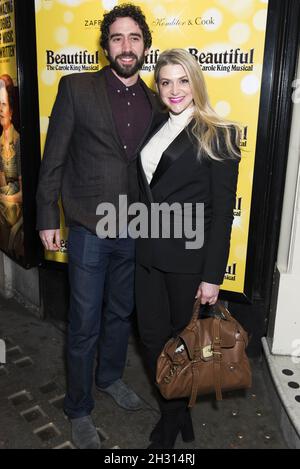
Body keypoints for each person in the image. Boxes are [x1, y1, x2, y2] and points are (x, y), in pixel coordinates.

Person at [36, 3, 164, 449]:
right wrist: (48, 215)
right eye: (117, 38)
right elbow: (53, 159)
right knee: (84, 320)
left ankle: (109, 377)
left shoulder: (156, 99)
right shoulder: (77, 89)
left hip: (134, 229)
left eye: (134, 38)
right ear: (105, 45)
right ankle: (78, 406)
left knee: (118, 314)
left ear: (145, 46)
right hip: (89, 227)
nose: (126, 47)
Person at [135, 48, 241, 449]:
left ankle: (171, 420)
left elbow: (221, 213)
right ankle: (179, 410)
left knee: (184, 345)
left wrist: (212, 276)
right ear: (158, 86)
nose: (174, 89)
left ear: (196, 82)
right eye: (166, 81)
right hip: (145, 255)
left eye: (182, 80)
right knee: (150, 340)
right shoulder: (154, 125)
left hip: (187, 261)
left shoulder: (220, 133)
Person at [0, 74, 23, 257]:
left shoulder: (18, 142)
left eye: (4, 105)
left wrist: (5, 199)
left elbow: (24, 193)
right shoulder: (1, 141)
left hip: (14, 209)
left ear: (12, 111)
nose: (0, 110)